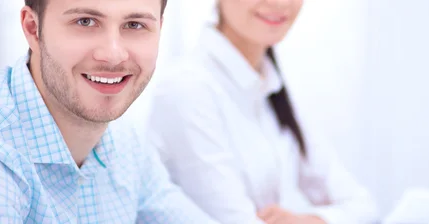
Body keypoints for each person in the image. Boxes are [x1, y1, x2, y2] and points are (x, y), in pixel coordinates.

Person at [0, 0, 218, 223]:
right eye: (85, 21)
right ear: (33, 29)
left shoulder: (125, 141)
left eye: (134, 25)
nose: (113, 55)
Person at [138, 0, 380, 223]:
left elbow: (365, 207)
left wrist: (311, 220)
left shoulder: (272, 83)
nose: (281, 3)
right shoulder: (187, 89)